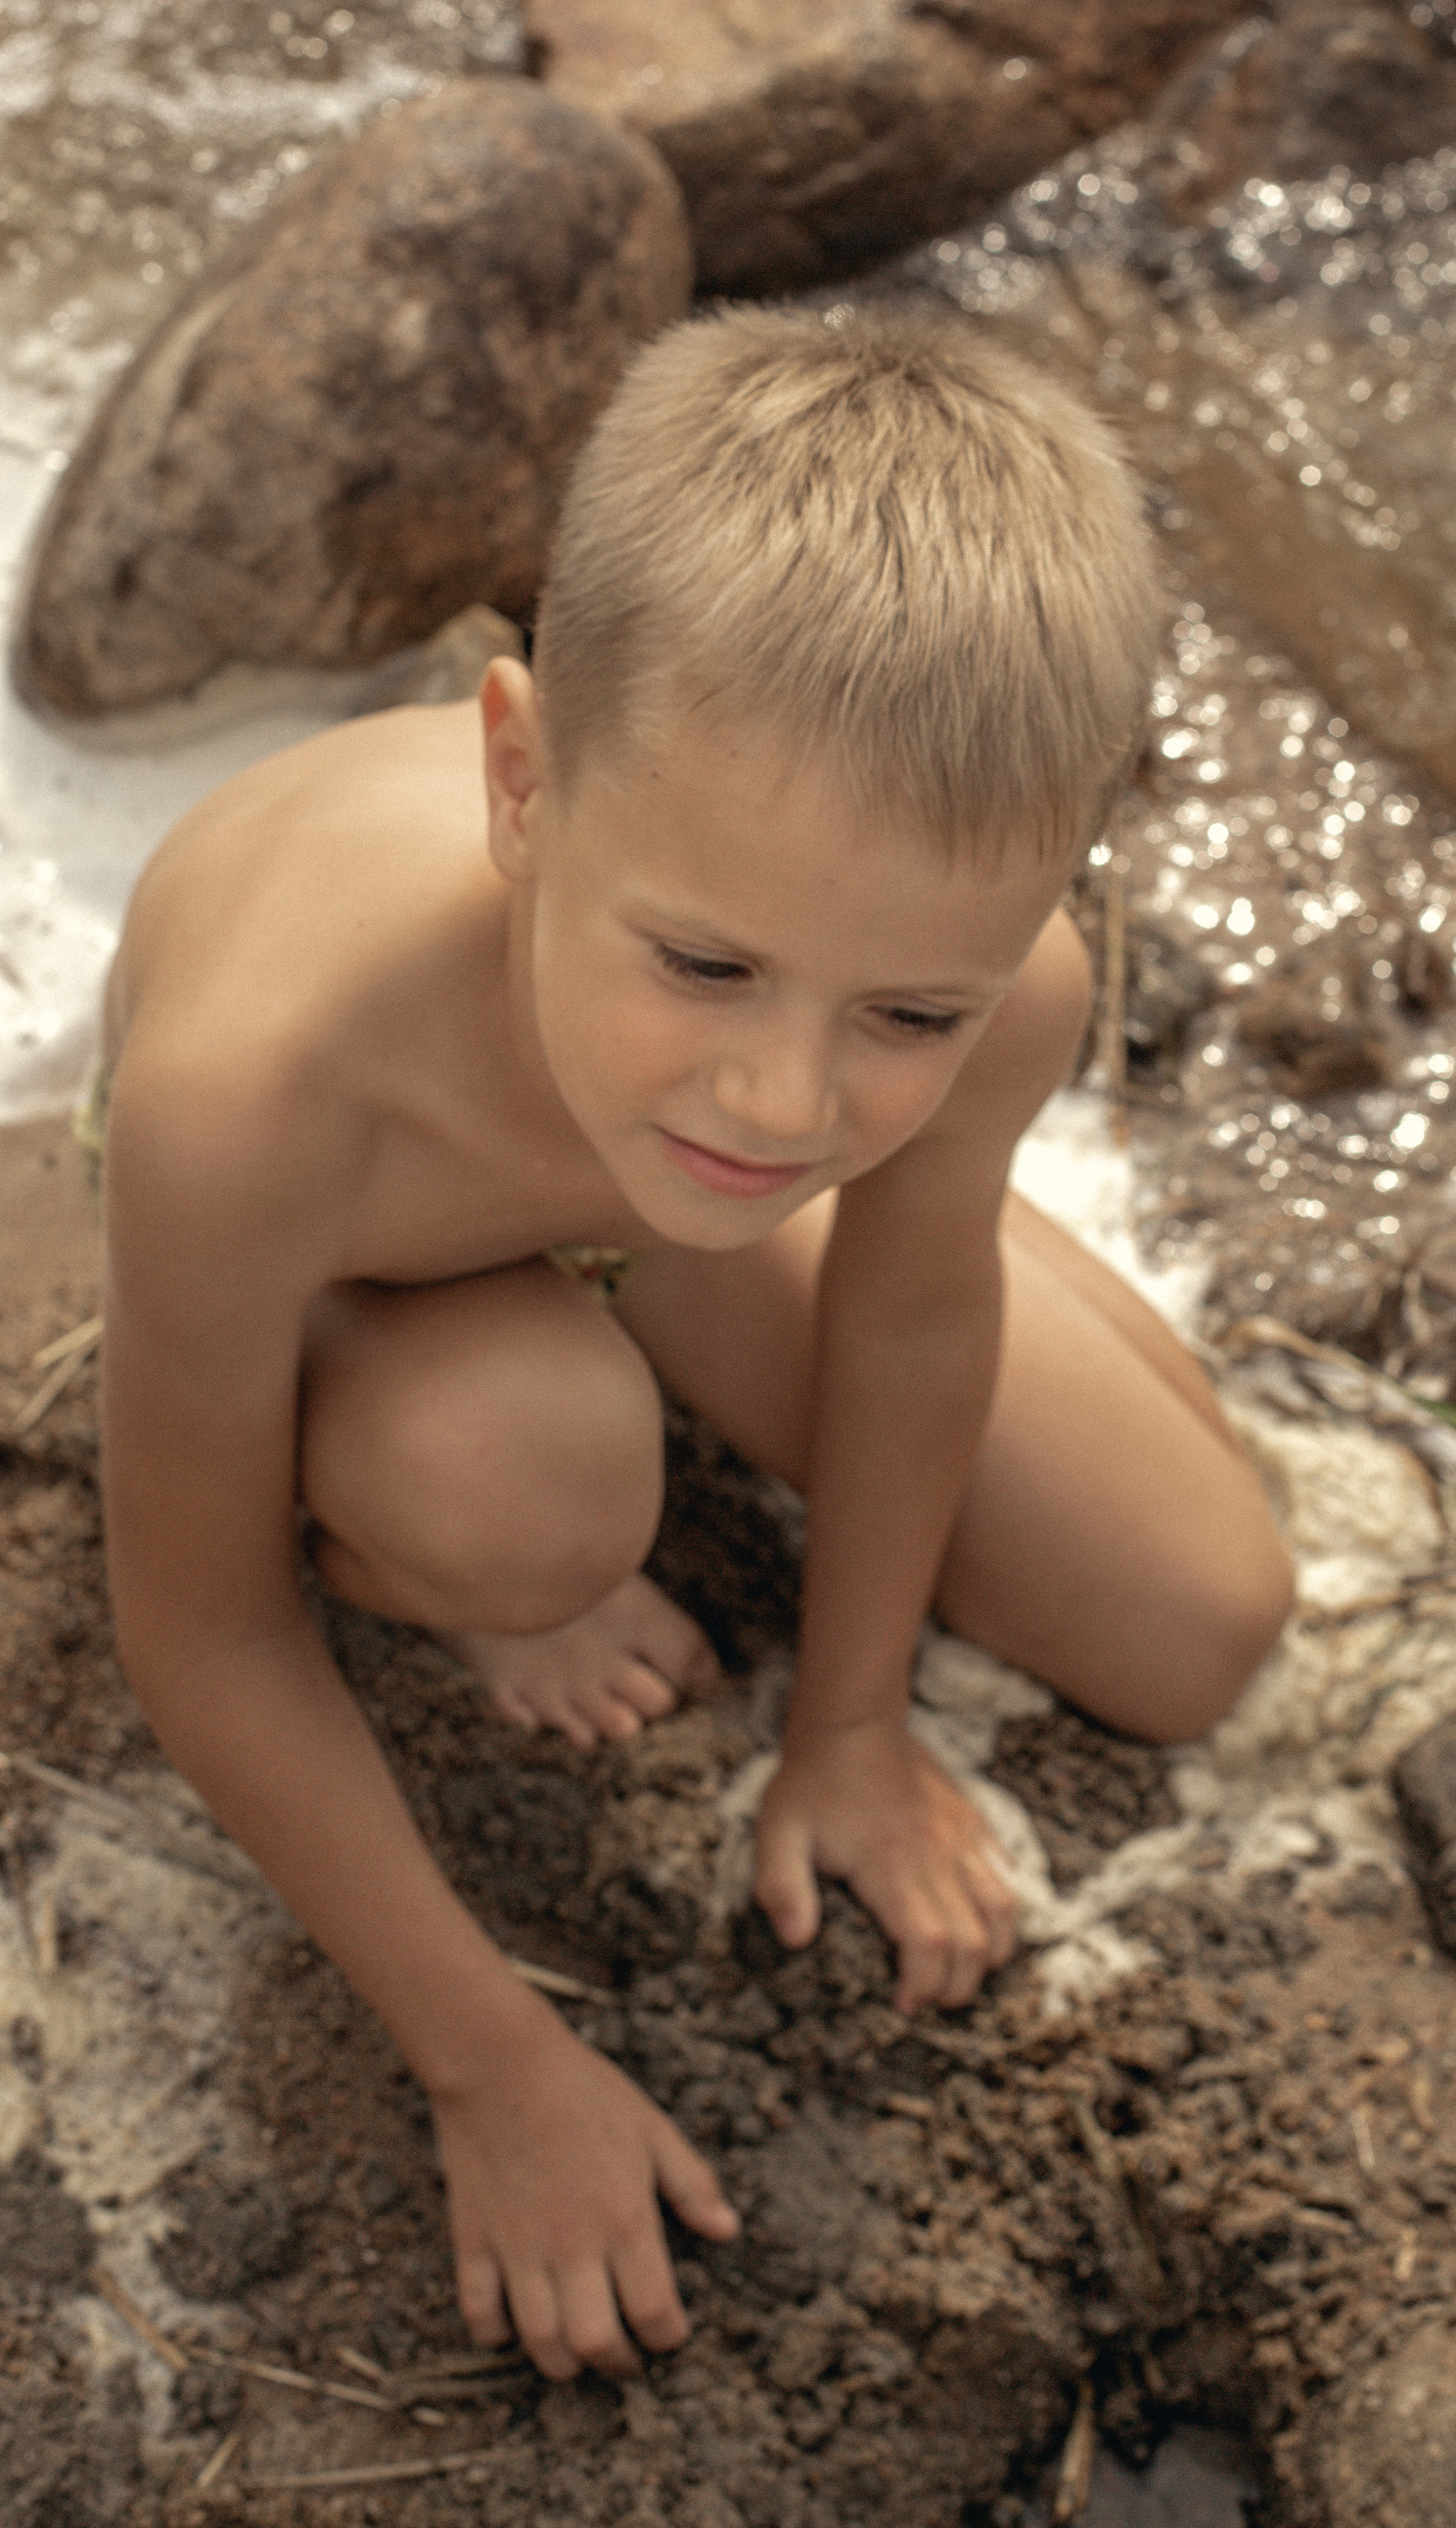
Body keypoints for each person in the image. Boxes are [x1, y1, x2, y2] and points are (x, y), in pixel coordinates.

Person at [97, 302, 1293, 2386]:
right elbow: (197, 1630)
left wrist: (850, 1730)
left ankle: (757, 1188)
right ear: (519, 780)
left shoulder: (979, 993)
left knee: (1203, 1622)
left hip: (623, 1190)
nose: (783, 1095)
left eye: (905, 1007)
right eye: (711, 962)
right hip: (383, 1251)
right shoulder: (258, 1092)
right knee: (535, 1491)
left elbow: (920, 1314)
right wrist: (495, 2069)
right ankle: (448, 1558)